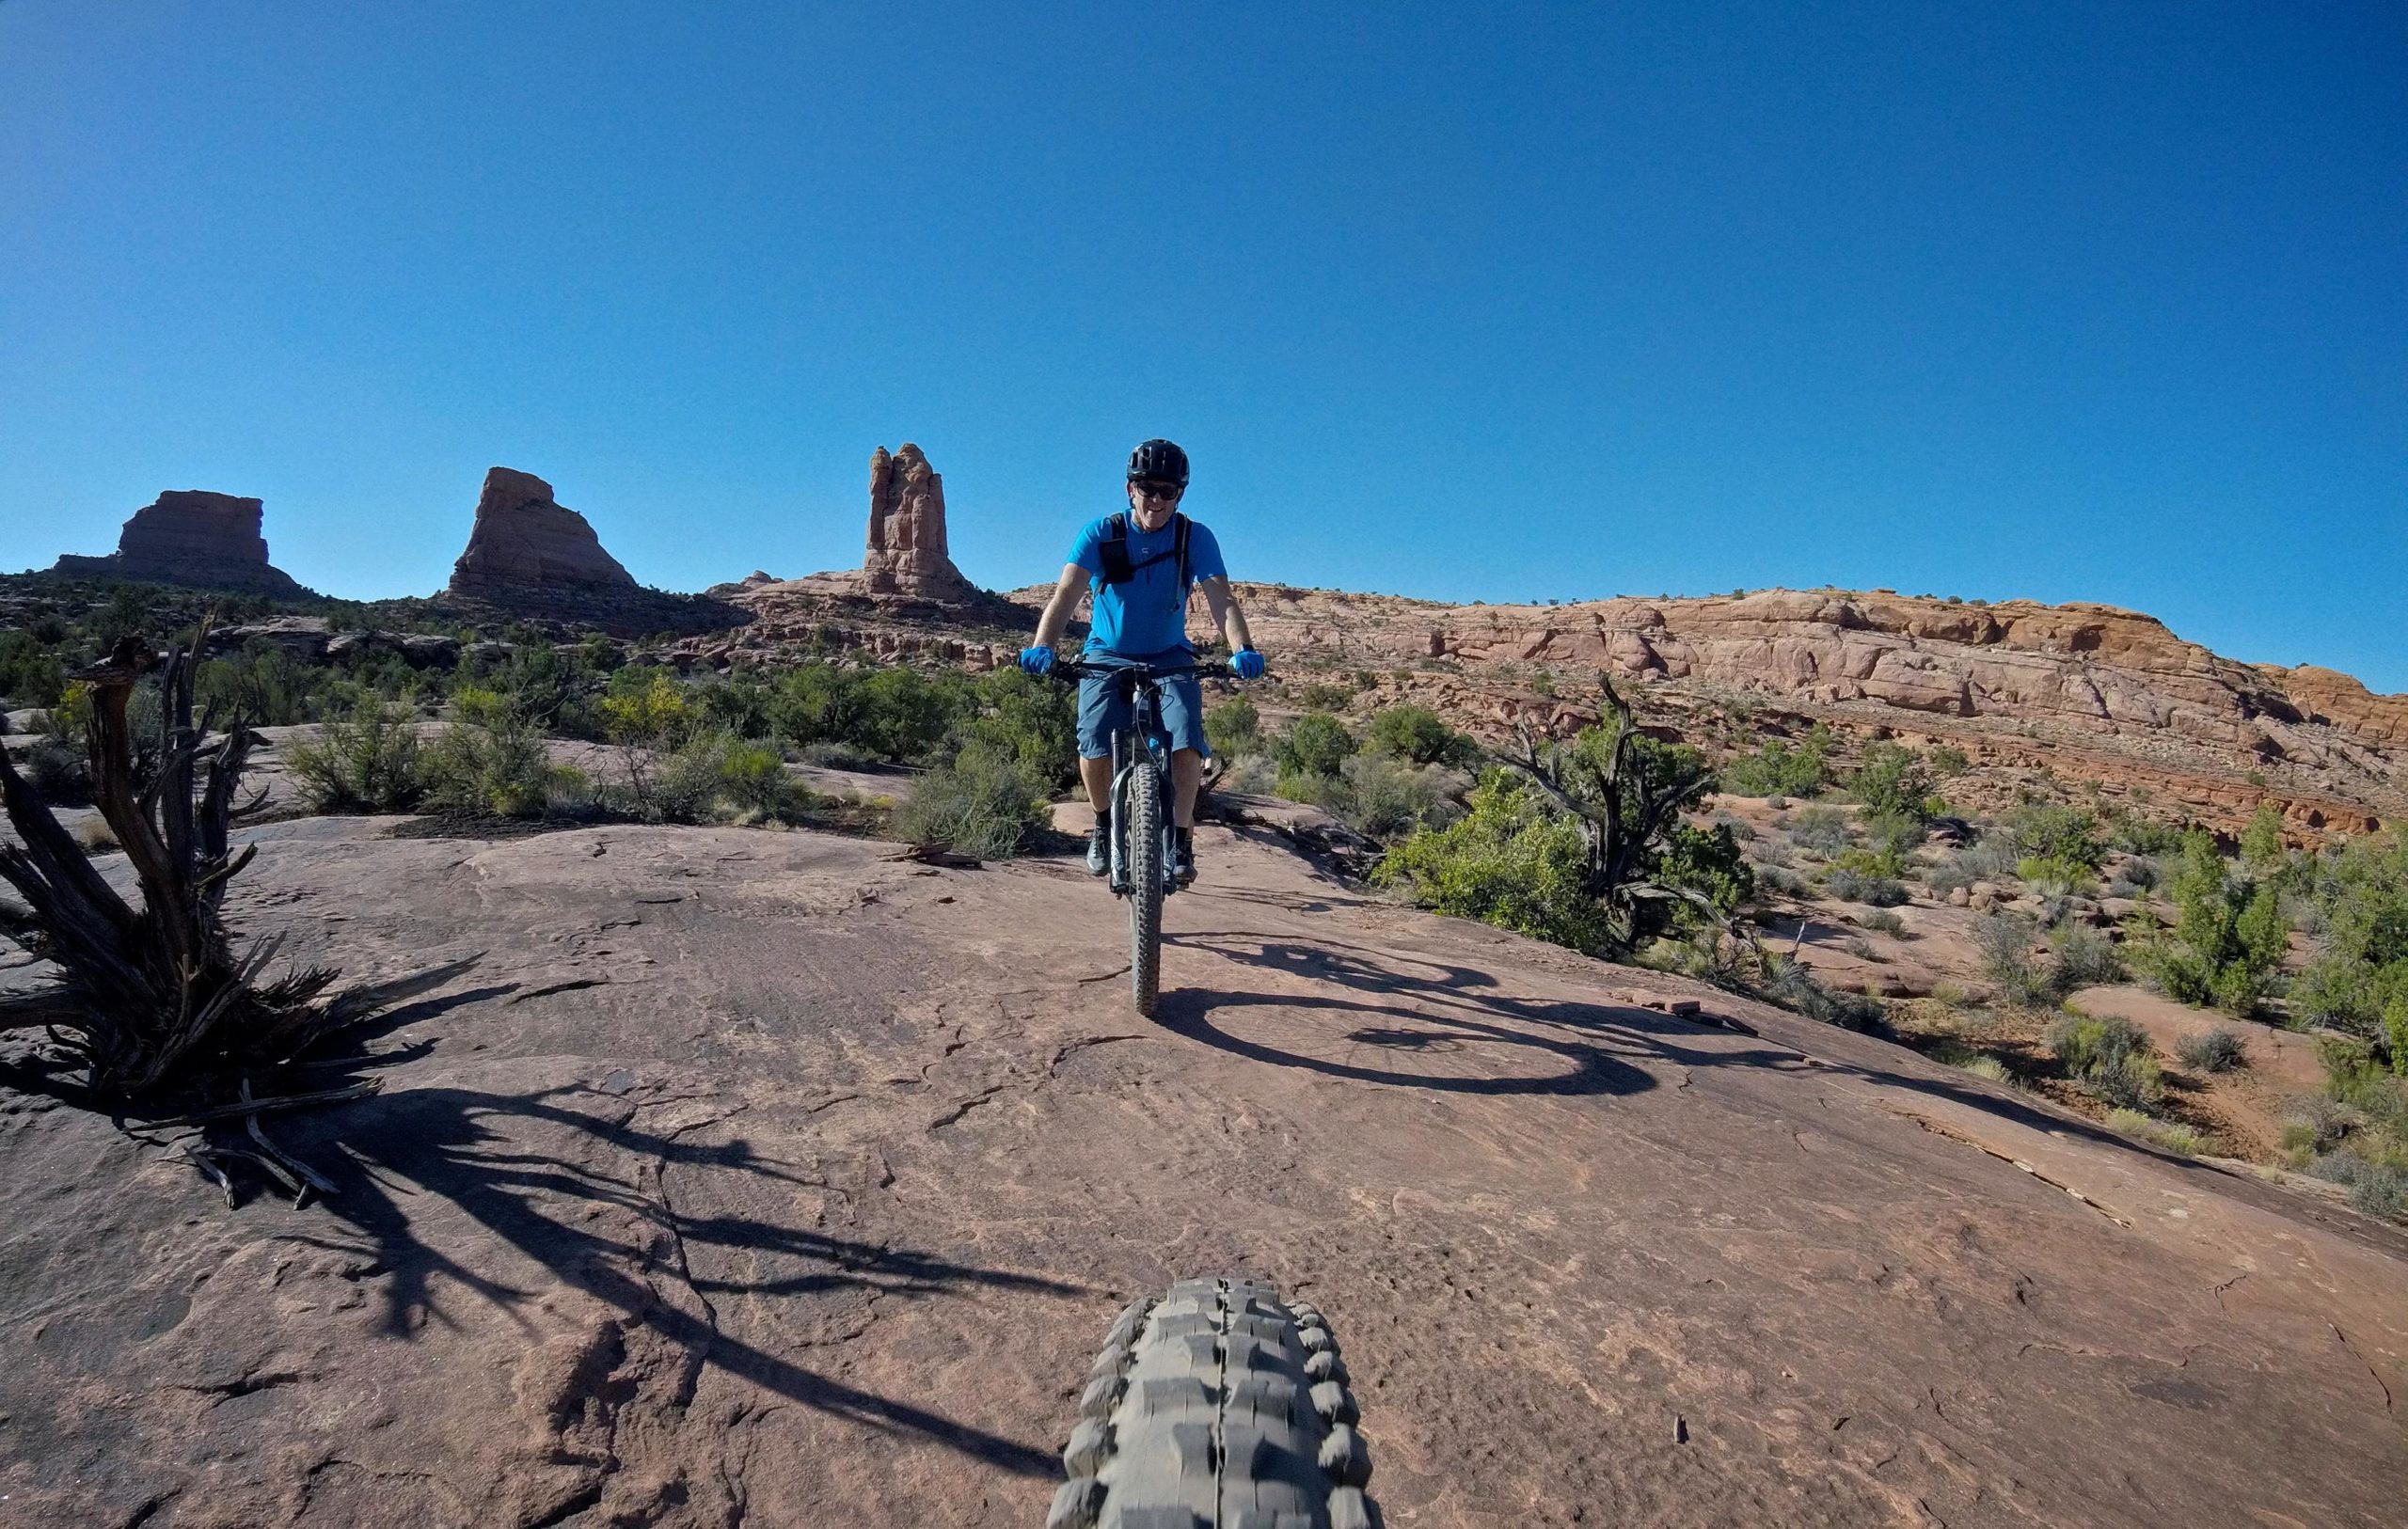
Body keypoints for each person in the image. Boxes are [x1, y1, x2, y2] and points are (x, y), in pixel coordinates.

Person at [1019, 438, 1264, 885]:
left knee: (1187, 739)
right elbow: (1066, 596)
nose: (1156, 499)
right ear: (1130, 489)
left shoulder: (1195, 538)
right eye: (1146, 488)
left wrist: (1242, 649)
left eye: (1166, 491)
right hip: (1106, 653)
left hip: (1171, 655)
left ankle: (1182, 839)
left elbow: (1221, 600)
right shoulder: (1101, 534)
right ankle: (1102, 825)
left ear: (1180, 495)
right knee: (1092, 737)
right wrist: (1044, 646)